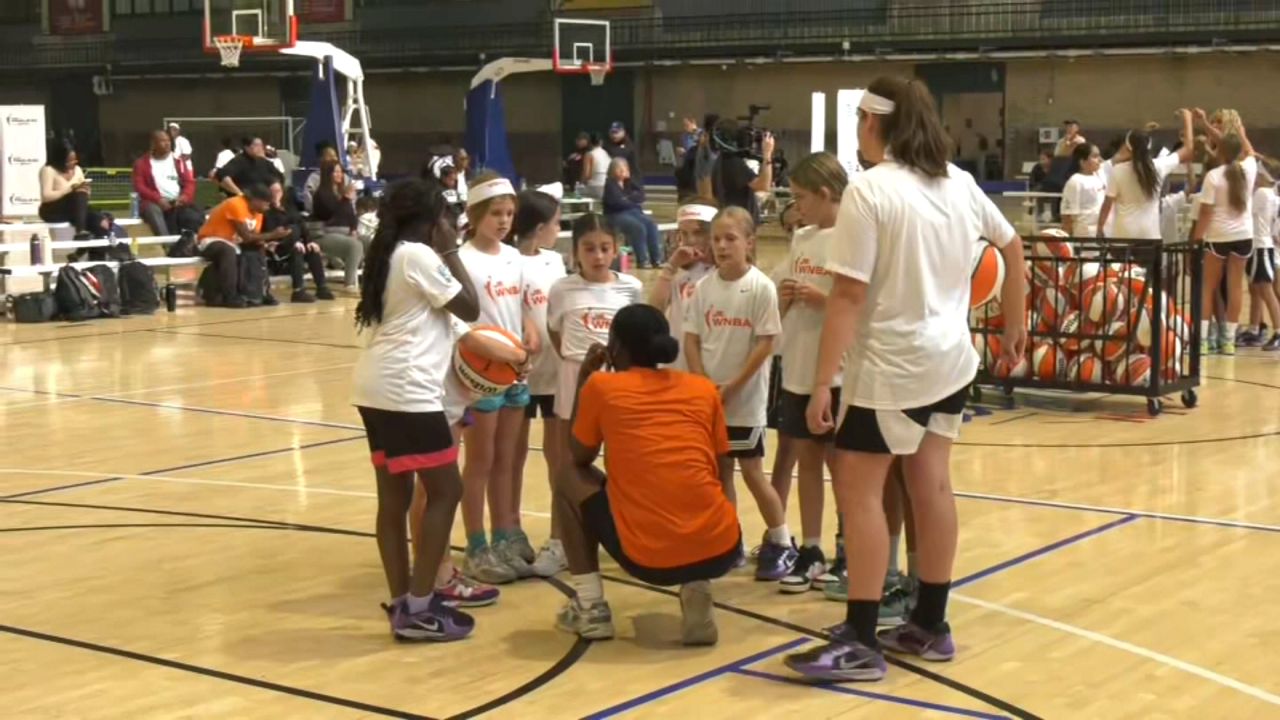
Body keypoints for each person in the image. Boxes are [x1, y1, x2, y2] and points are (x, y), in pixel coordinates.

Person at [784, 76, 1027, 682]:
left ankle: (862, 638)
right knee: (931, 485)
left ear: (873, 123)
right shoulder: (959, 182)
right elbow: (1015, 246)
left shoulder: (870, 190)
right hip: (951, 361)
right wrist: (1014, 326)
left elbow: (847, 294)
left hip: (892, 368)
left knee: (860, 490)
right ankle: (930, 623)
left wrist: (821, 383)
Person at [350, 177, 486, 641]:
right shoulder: (420, 254)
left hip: (375, 386)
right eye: (445, 220)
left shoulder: (387, 253)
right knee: (447, 490)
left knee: (394, 499)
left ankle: (403, 603)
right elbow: (470, 306)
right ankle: (422, 606)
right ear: (432, 222)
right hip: (406, 389)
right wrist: (451, 251)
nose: (451, 226)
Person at [557, 303, 742, 643]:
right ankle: (697, 587)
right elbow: (723, 467)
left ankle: (590, 605)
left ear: (615, 347)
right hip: (723, 547)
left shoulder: (602, 387)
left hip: (650, 559)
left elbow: (579, 454)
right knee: (686, 483)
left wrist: (584, 381)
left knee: (567, 475)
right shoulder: (701, 388)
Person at [684, 206, 795, 580]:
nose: (721, 245)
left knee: (751, 471)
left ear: (749, 243)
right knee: (720, 473)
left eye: (730, 238)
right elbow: (692, 339)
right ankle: (731, 543)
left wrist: (733, 385)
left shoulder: (760, 287)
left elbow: (766, 343)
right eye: (716, 239)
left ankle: (781, 541)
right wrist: (702, 383)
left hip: (744, 401)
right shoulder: (703, 288)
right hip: (710, 399)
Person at [458, 173, 541, 584]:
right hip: (481, 373)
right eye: (496, 213)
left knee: (509, 459)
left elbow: (520, 307)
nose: (505, 220)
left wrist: (530, 329)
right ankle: (476, 545)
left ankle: (507, 531)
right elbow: (458, 320)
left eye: (509, 213)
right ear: (475, 215)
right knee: (480, 461)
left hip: (517, 370)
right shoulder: (461, 260)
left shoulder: (514, 258)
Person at [772, 152, 847, 594]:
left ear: (824, 194)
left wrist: (821, 298)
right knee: (807, 463)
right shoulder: (801, 239)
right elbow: (778, 291)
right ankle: (813, 548)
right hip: (799, 365)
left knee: (842, 467)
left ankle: (848, 547)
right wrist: (782, 296)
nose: (796, 207)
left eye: (802, 198)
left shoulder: (852, 239)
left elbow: (858, 302)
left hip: (837, 371)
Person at [513, 187, 570, 576]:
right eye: (555, 223)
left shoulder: (555, 262)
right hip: (516, 370)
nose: (559, 227)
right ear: (538, 227)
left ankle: (560, 536)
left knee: (558, 457)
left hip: (555, 371)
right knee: (511, 457)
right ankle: (510, 530)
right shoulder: (509, 261)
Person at [548, 213, 644, 422]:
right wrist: (570, 357)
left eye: (605, 248)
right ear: (575, 251)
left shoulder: (632, 287)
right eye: (589, 249)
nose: (598, 256)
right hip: (574, 373)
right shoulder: (561, 288)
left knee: (616, 442)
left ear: (616, 249)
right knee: (571, 447)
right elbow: (553, 329)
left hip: (615, 374)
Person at [1192, 120, 1258, 357]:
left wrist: (1197, 240)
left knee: (1208, 288)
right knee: (1235, 288)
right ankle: (1229, 341)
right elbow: (1249, 151)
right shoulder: (1249, 169)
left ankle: (1201, 341)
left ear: (1218, 151)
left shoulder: (1213, 176)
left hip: (1218, 236)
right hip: (1244, 236)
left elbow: (1206, 213)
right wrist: (1242, 132)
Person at [1097, 110, 1195, 241]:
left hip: (1123, 235)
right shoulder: (1159, 166)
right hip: (1150, 235)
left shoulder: (1118, 170)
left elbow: (1107, 204)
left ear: (1128, 147)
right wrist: (1188, 120)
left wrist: (1100, 227)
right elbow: (1188, 149)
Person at [196, 185, 291, 308]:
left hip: (234, 242)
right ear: (255, 200)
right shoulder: (235, 204)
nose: (267, 208)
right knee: (227, 251)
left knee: (258, 248)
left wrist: (265, 243)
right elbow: (247, 236)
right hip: (210, 240)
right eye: (266, 204)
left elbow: (254, 236)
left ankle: (261, 292)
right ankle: (230, 296)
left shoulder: (258, 212)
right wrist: (273, 234)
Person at [649, 199, 716, 370]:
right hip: (677, 365)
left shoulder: (724, 273)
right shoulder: (679, 271)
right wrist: (671, 267)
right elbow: (654, 312)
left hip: (710, 363)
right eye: (684, 234)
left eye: (698, 233)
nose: (690, 240)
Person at [262, 181, 335, 303]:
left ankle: (322, 287)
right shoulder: (266, 211)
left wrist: (309, 241)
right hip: (276, 247)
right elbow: (273, 233)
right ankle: (298, 291)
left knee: (312, 249)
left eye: (278, 191)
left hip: (294, 243)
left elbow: (301, 225)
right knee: (296, 250)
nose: (275, 194)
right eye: (272, 191)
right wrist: (292, 241)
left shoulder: (289, 208)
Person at [133, 129, 201, 237]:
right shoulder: (141, 164)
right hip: (154, 203)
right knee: (153, 210)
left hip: (177, 201)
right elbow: (139, 186)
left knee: (193, 215)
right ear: (153, 144)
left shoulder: (178, 161)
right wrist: (158, 199)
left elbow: (189, 183)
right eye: (162, 141)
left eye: (168, 140)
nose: (167, 143)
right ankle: (166, 243)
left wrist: (184, 197)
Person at [312, 158, 366, 290]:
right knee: (355, 245)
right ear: (327, 174)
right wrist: (345, 199)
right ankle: (349, 283)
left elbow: (352, 215)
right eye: (335, 172)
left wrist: (353, 229)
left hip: (346, 232)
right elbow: (330, 214)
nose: (339, 174)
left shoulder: (342, 193)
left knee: (372, 241)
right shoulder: (321, 194)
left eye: (340, 172)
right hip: (326, 233)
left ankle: (371, 278)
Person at [1243, 167, 1280, 350]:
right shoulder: (1269, 193)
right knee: (1256, 289)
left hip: (1261, 247)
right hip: (1259, 246)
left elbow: (1245, 212)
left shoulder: (1263, 194)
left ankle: (1278, 332)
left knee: (1266, 291)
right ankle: (1254, 328)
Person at [710, 118, 774, 224]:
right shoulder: (733, 162)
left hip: (730, 219)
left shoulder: (720, 161)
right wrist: (767, 154)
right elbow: (763, 186)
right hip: (739, 224)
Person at [603, 158, 663, 268]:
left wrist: (627, 199)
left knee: (651, 224)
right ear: (612, 170)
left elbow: (640, 196)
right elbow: (616, 203)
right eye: (619, 168)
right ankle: (642, 260)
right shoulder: (610, 184)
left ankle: (657, 259)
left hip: (632, 211)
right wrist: (630, 201)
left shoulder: (629, 183)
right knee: (638, 227)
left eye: (624, 168)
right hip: (615, 214)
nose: (622, 171)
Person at [38, 140, 107, 236]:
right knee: (80, 197)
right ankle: (80, 231)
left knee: (100, 220)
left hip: (75, 209)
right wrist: (69, 189)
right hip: (53, 209)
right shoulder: (48, 170)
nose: (72, 164)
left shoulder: (78, 170)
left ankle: (92, 248)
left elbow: (83, 196)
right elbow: (46, 196)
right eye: (68, 161)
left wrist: (86, 190)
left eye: (75, 160)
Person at [1059, 142, 1106, 237]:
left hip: (1102, 231)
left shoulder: (1099, 176)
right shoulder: (1075, 181)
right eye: (1095, 156)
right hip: (1084, 232)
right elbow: (1067, 216)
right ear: (1082, 162)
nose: (1100, 160)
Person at [217, 136, 284, 198]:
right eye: (256, 145)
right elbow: (223, 176)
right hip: (246, 199)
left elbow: (279, 176)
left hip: (264, 200)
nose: (260, 148)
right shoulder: (239, 161)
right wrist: (239, 193)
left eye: (261, 145)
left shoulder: (264, 162)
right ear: (247, 147)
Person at [303, 142, 342, 214]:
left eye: (335, 156)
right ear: (321, 159)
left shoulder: (344, 177)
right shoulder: (314, 178)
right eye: (330, 156)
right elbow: (308, 198)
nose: (333, 158)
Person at [604, 121, 643, 188]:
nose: (614, 135)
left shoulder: (630, 146)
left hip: (629, 180)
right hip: (613, 179)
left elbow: (634, 166)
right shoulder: (607, 146)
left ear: (623, 132)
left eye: (616, 132)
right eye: (612, 132)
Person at [582, 134, 611, 201]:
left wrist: (582, 183)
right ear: (601, 142)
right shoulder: (606, 154)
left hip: (594, 186)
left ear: (590, 143)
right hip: (607, 185)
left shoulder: (590, 154)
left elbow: (586, 174)